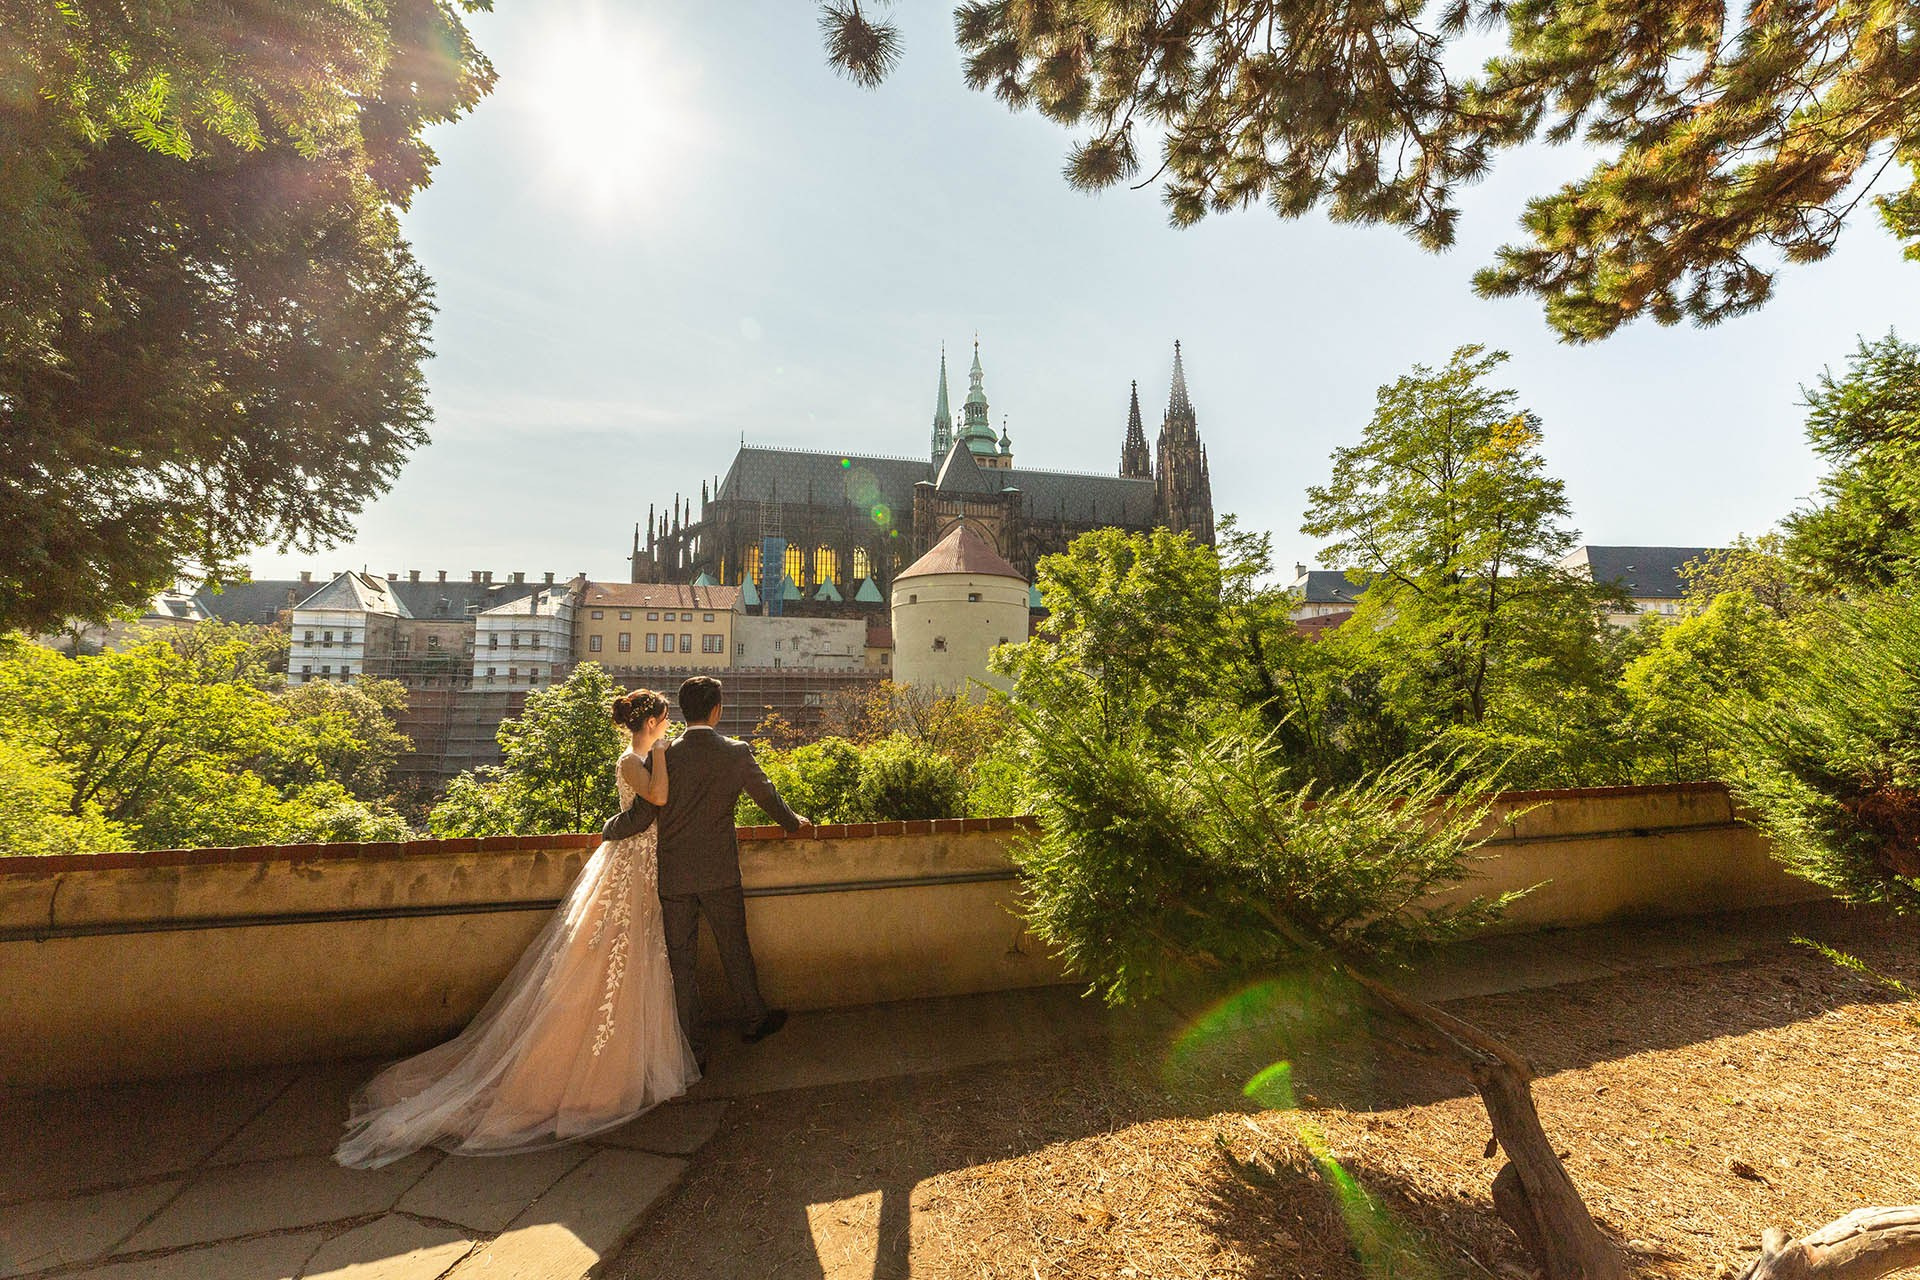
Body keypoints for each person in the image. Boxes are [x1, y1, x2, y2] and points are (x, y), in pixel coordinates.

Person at [334, 689, 694, 1169]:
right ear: (651, 721)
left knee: (634, 959)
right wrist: (664, 756)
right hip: (628, 866)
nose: (668, 726)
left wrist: (662, 755)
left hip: (643, 865)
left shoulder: (644, 755)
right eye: (665, 720)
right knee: (605, 957)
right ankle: (582, 1077)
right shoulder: (633, 759)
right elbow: (660, 796)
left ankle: (624, 1069)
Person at [657, 675, 806, 1066]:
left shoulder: (664, 755)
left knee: (681, 962)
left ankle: (692, 1049)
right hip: (720, 871)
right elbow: (767, 796)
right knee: (734, 949)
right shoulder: (736, 753)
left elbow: (647, 809)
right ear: (717, 710)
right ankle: (755, 1018)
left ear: (683, 710)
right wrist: (792, 824)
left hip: (673, 873)